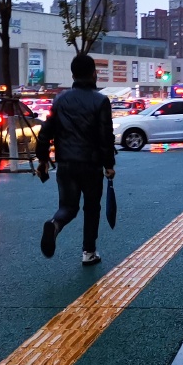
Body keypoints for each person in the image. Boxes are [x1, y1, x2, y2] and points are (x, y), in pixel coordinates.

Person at [35, 54, 116, 265]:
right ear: (94, 74)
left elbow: (45, 131)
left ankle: (55, 224)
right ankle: (89, 252)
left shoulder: (60, 99)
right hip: (91, 164)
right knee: (92, 208)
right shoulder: (101, 101)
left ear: (72, 75)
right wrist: (109, 165)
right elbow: (105, 136)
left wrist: (42, 160)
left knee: (68, 207)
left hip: (66, 164)